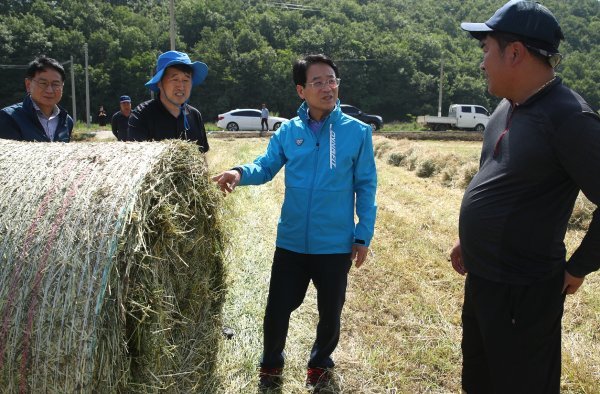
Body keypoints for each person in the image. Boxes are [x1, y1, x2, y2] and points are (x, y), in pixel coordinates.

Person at [450, 1, 600, 393]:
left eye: (486, 51)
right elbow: (494, 174)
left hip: (526, 291)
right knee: (480, 379)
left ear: (514, 52)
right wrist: (470, 239)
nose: (482, 63)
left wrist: (580, 265)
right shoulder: (505, 106)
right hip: (484, 280)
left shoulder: (570, 118)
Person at [212, 54, 377, 391]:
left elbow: (366, 186)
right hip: (291, 242)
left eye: (331, 79)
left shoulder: (357, 133)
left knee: (330, 313)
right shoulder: (289, 131)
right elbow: (266, 166)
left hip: (334, 244)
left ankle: (319, 365)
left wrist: (363, 236)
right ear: (301, 90)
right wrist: (239, 172)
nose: (327, 87)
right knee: (276, 310)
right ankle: (271, 366)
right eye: (317, 81)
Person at [127, 50, 209, 152]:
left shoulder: (195, 115)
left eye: (186, 80)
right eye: (175, 79)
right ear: (159, 83)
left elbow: (202, 156)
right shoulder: (142, 115)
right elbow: (136, 159)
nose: (181, 86)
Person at [0, 56, 73, 142]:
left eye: (56, 84)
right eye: (43, 83)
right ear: (28, 85)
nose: (49, 90)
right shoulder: (10, 118)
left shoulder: (66, 121)